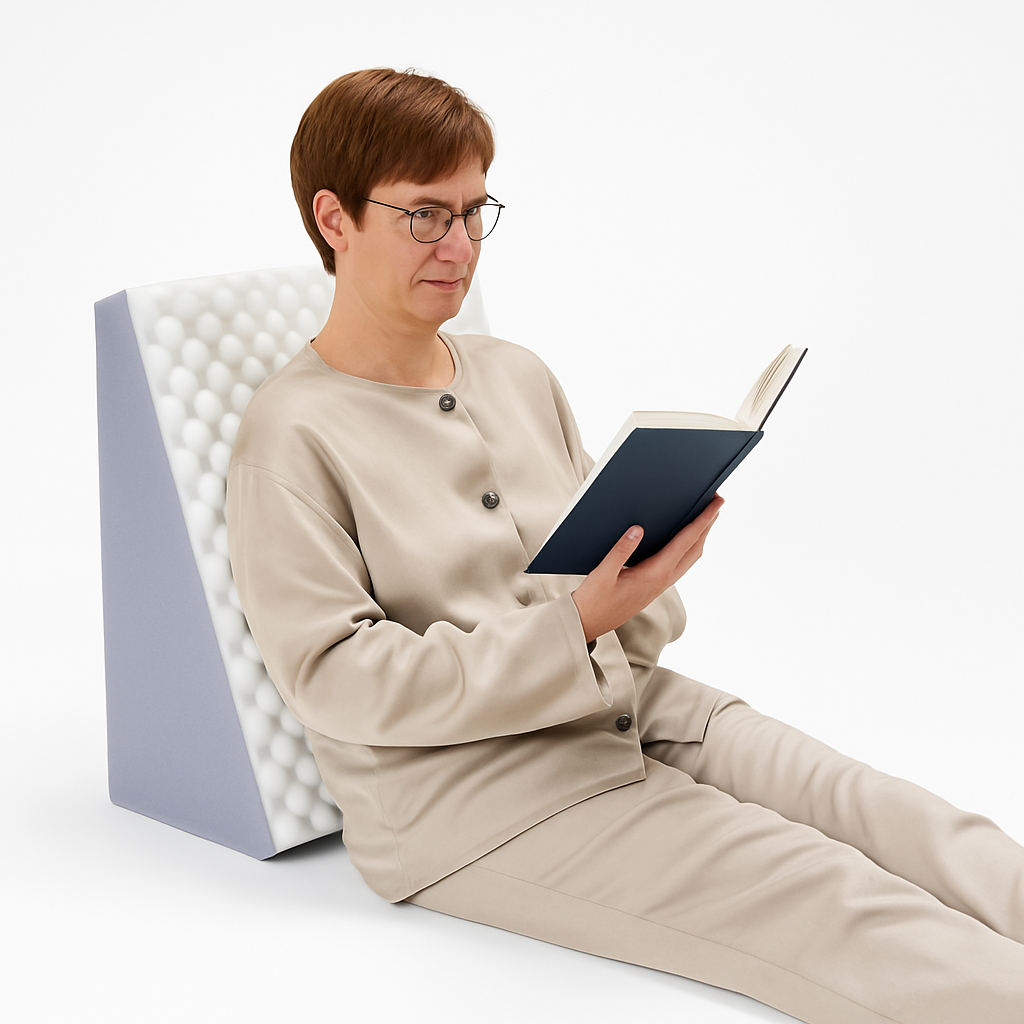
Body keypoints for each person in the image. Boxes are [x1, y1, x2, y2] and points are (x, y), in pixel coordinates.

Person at [225, 68, 1024, 1023]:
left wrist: (644, 576)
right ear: (334, 219)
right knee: (843, 905)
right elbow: (339, 679)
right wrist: (579, 622)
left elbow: (615, 616)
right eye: (426, 216)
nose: (461, 245)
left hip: (631, 703)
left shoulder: (516, 375)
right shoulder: (289, 435)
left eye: (476, 212)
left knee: (920, 829)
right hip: (477, 802)